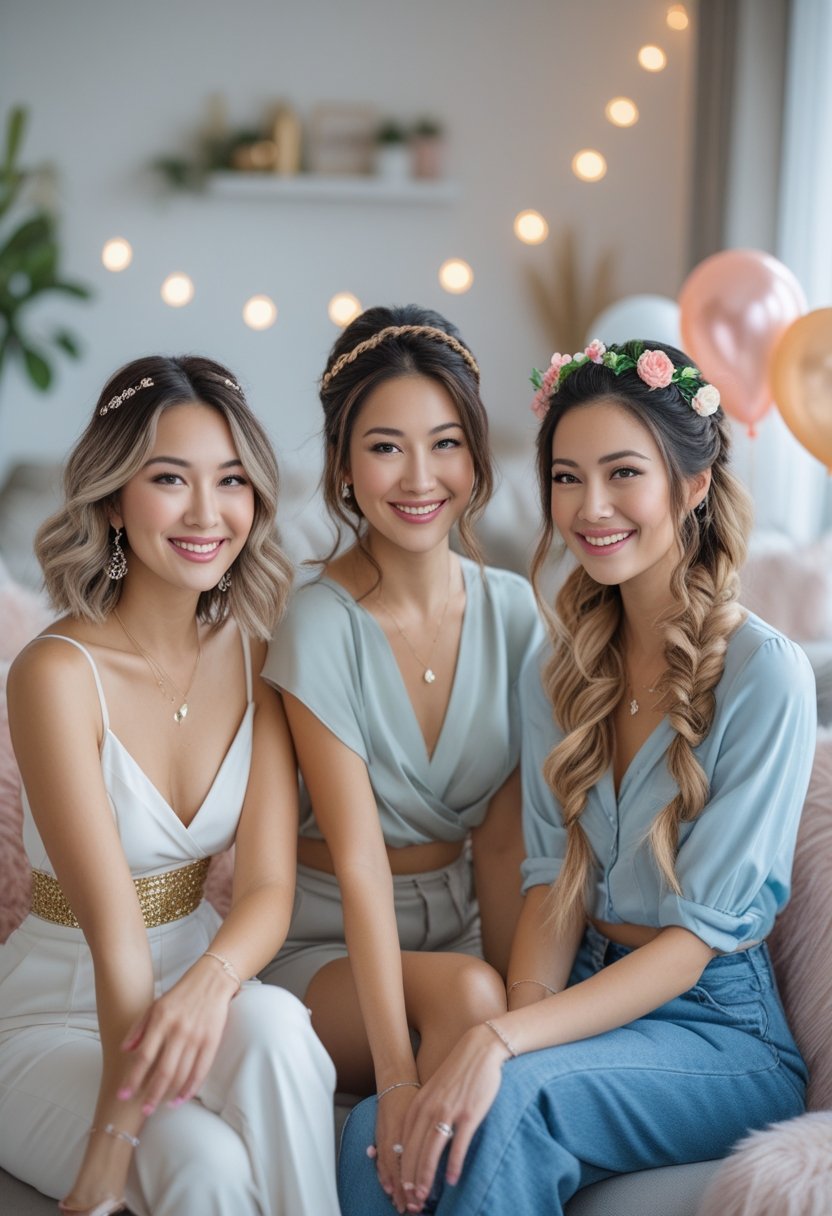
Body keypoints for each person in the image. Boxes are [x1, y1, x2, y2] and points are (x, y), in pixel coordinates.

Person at [338, 339, 817, 1215]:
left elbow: (693, 943)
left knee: (513, 1099)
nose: (590, 507)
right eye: (566, 477)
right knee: (380, 1126)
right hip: (589, 992)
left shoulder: (766, 674)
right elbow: (553, 885)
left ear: (694, 484)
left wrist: (504, 1043)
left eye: (623, 473)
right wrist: (514, 1026)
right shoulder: (559, 669)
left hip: (718, 1030)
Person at [0, 356, 340, 1216]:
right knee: (206, 1168)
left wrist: (210, 980)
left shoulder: (258, 654)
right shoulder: (54, 673)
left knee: (282, 1033)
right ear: (114, 499)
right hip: (62, 1008)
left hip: (198, 974)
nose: (205, 513)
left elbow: (267, 887)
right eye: (168, 479)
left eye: (230, 481)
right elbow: (116, 933)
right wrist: (114, 1138)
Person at [259, 306, 543, 1213]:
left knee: (484, 1002)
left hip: (456, 926)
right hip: (325, 941)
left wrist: (514, 1018)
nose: (420, 478)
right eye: (386, 448)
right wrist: (394, 1079)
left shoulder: (513, 613)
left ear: (476, 456)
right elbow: (359, 860)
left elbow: (502, 849)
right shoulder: (318, 621)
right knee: (466, 993)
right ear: (343, 464)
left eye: (446, 444)